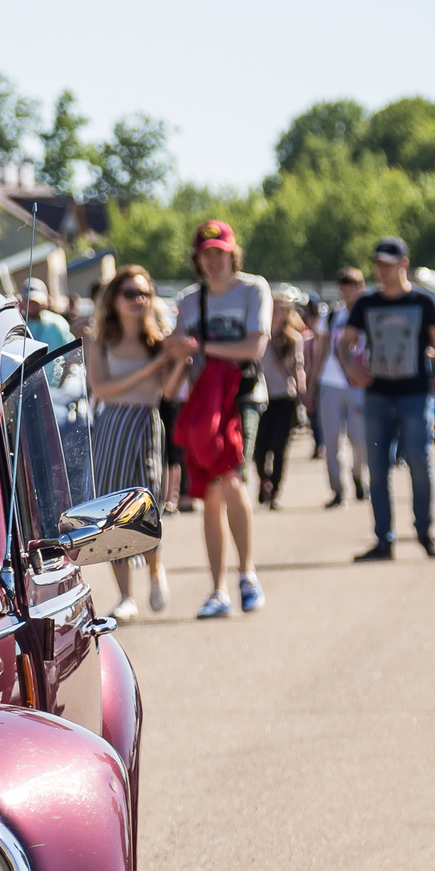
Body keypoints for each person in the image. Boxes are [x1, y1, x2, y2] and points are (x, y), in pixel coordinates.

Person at [153, 220, 269, 614]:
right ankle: (220, 588)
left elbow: (254, 346)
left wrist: (201, 346)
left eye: (220, 253)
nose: (213, 260)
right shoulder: (189, 300)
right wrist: (175, 345)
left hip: (242, 399)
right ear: (197, 259)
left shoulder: (254, 289)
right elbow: (177, 347)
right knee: (210, 494)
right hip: (202, 406)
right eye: (206, 254)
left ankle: (246, 574)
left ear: (232, 254)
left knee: (230, 479)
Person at [344, 237, 435, 560]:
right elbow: (345, 344)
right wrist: (351, 366)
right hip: (377, 395)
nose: (381, 270)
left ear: (403, 264)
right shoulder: (366, 303)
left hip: (414, 395)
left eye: (387, 264)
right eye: (377, 264)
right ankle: (383, 540)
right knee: (377, 469)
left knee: (419, 462)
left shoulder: (425, 302)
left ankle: (425, 532)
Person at [84, 265, 175, 619]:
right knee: (112, 510)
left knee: (146, 505)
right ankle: (125, 596)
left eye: (144, 294)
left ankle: (155, 569)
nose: (138, 300)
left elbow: (168, 391)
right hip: (111, 423)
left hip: (147, 423)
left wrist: (176, 361)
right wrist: (149, 369)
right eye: (129, 293)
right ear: (114, 299)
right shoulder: (100, 339)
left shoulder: (159, 339)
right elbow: (102, 388)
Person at [315, 269, 370, 507]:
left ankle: (358, 475)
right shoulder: (331, 316)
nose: (350, 291)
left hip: (359, 386)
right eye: (345, 286)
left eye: (355, 286)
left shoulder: (370, 315)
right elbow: (321, 349)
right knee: (332, 440)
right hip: (331, 382)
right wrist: (311, 382)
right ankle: (338, 490)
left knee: (360, 440)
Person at [253, 286, 311, 510]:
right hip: (260, 398)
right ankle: (263, 480)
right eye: (274, 308)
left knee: (279, 447)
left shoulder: (294, 338)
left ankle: (275, 491)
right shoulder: (258, 336)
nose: (278, 312)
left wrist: (304, 392)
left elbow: (299, 368)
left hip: (283, 398)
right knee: (259, 449)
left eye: (282, 308)